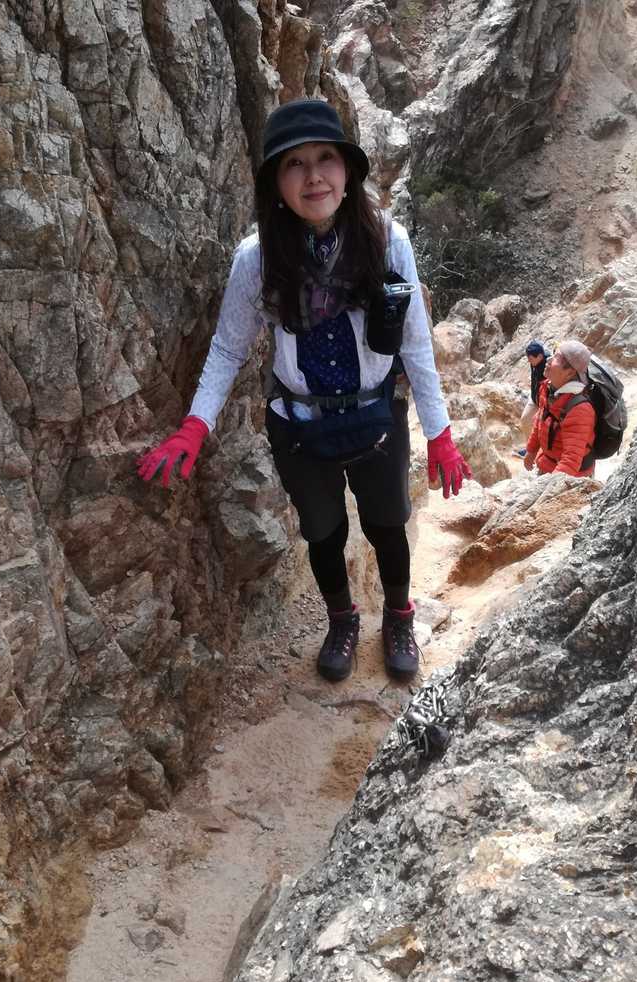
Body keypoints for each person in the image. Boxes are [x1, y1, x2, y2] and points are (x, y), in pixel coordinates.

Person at [137, 98, 471, 683]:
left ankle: (398, 616)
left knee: (387, 524)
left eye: (325, 159)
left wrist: (439, 434)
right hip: (299, 424)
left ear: (347, 170)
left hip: (375, 415)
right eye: (295, 164)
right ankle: (342, 619)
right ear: (276, 182)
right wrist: (195, 425)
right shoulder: (258, 259)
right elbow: (228, 349)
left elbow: (415, 343)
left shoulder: (387, 241)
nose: (314, 176)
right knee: (323, 532)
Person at [524, 340, 596, 478]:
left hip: (572, 478)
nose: (548, 360)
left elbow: (571, 460)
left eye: (556, 358)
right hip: (549, 466)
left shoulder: (580, 409)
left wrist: (549, 487)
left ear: (569, 373)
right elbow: (540, 420)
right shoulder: (549, 388)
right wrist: (531, 450)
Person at [515, 339, 548, 458]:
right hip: (534, 397)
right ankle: (530, 449)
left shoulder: (549, 366)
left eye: (530, 358)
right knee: (525, 419)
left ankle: (541, 452)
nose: (528, 361)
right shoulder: (534, 361)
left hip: (545, 401)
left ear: (540, 356)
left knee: (544, 427)